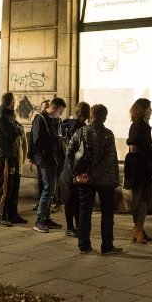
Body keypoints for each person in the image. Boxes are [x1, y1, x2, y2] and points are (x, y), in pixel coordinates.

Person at [67, 104, 120, 255]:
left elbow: (69, 152)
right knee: (107, 213)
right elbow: (109, 159)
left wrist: (76, 173)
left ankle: (84, 245)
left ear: (90, 116)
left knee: (84, 211)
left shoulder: (80, 132)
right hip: (105, 180)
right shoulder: (107, 134)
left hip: (84, 179)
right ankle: (107, 246)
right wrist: (93, 175)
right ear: (104, 117)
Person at [124, 98, 152, 244]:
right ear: (142, 109)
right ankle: (138, 229)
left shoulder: (142, 125)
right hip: (138, 166)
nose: (151, 110)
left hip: (141, 165)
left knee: (144, 198)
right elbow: (140, 145)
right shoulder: (138, 126)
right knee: (140, 198)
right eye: (149, 108)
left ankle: (139, 229)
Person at [33, 97, 66, 233]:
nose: (61, 114)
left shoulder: (55, 120)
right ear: (53, 108)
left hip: (56, 158)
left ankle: (46, 218)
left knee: (51, 190)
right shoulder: (40, 119)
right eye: (60, 111)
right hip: (46, 159)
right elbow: (37, 140)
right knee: (48, 189)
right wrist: (55, 139)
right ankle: (39, 220)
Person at [0, 92, 27, 226]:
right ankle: (1, 215)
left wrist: (18, 128)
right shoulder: (3, 116)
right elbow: (14, 132)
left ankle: (13, 213)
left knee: (13, 186)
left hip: (12, 154)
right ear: (11, 102)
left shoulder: (9, 115)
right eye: (14, 101)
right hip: (5, 155)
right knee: (5, 187)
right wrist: (19, 128)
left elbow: (18, 129)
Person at [61, 101, 89, 237]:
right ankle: (73, 227)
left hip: (68, 167)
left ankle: (73, 226)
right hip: (75, 167)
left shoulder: (68, 124)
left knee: (72, 199)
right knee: (75, 199)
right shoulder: (81, 127)